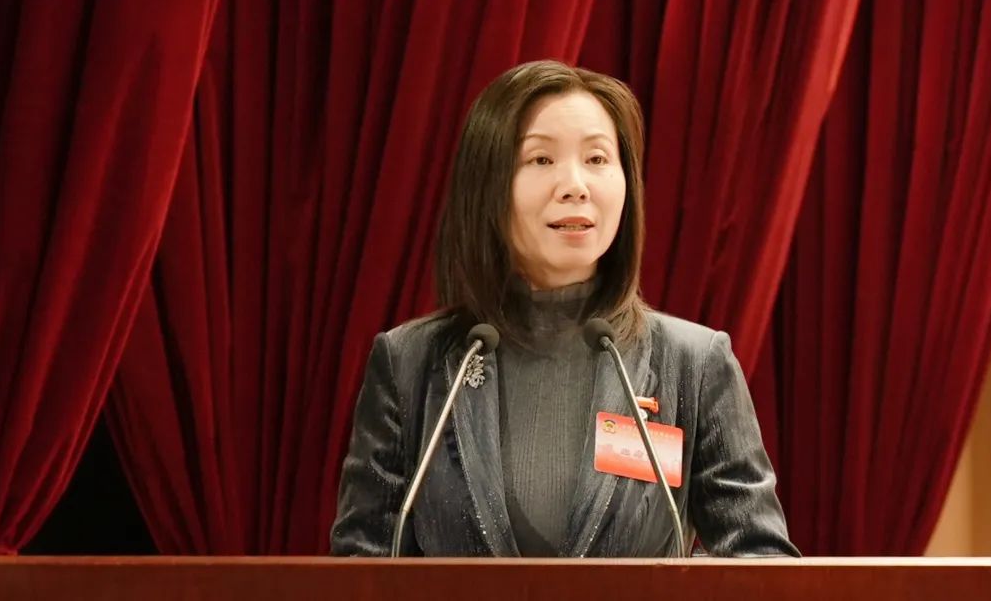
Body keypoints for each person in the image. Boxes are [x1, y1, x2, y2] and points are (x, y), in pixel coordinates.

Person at [330, 60, 798, 558]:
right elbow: (362, 570)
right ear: (485, 183)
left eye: (597, 158)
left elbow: (760, 565)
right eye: (541, 159)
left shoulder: (693, 363)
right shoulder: (411, 362)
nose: (575, 185)